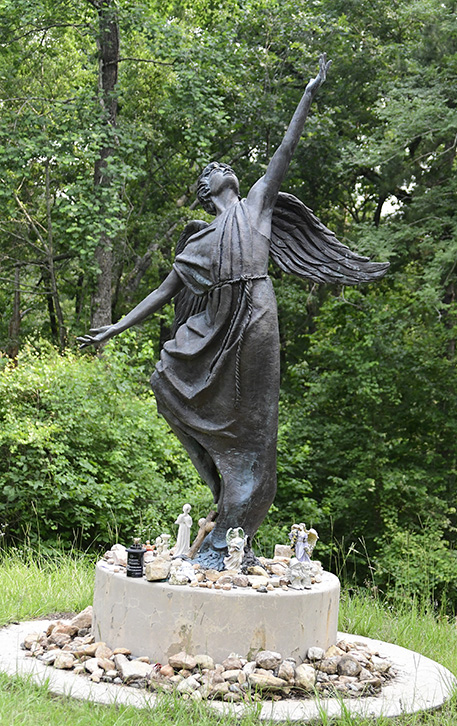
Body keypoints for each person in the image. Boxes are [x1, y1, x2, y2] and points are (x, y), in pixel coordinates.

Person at [79, 56, 388, 567]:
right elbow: (162, 293)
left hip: (257, 314)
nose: (223, 169)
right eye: (213, 170)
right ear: (207, 191)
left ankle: (231, 530)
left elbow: (285, 149)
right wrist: (115, 326)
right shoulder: (198, 242)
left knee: (257, 427)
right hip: (217, 325)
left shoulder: (257, 206)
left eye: (223, 167)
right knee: (163, 383)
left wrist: (309, 93)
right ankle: (223, 488)